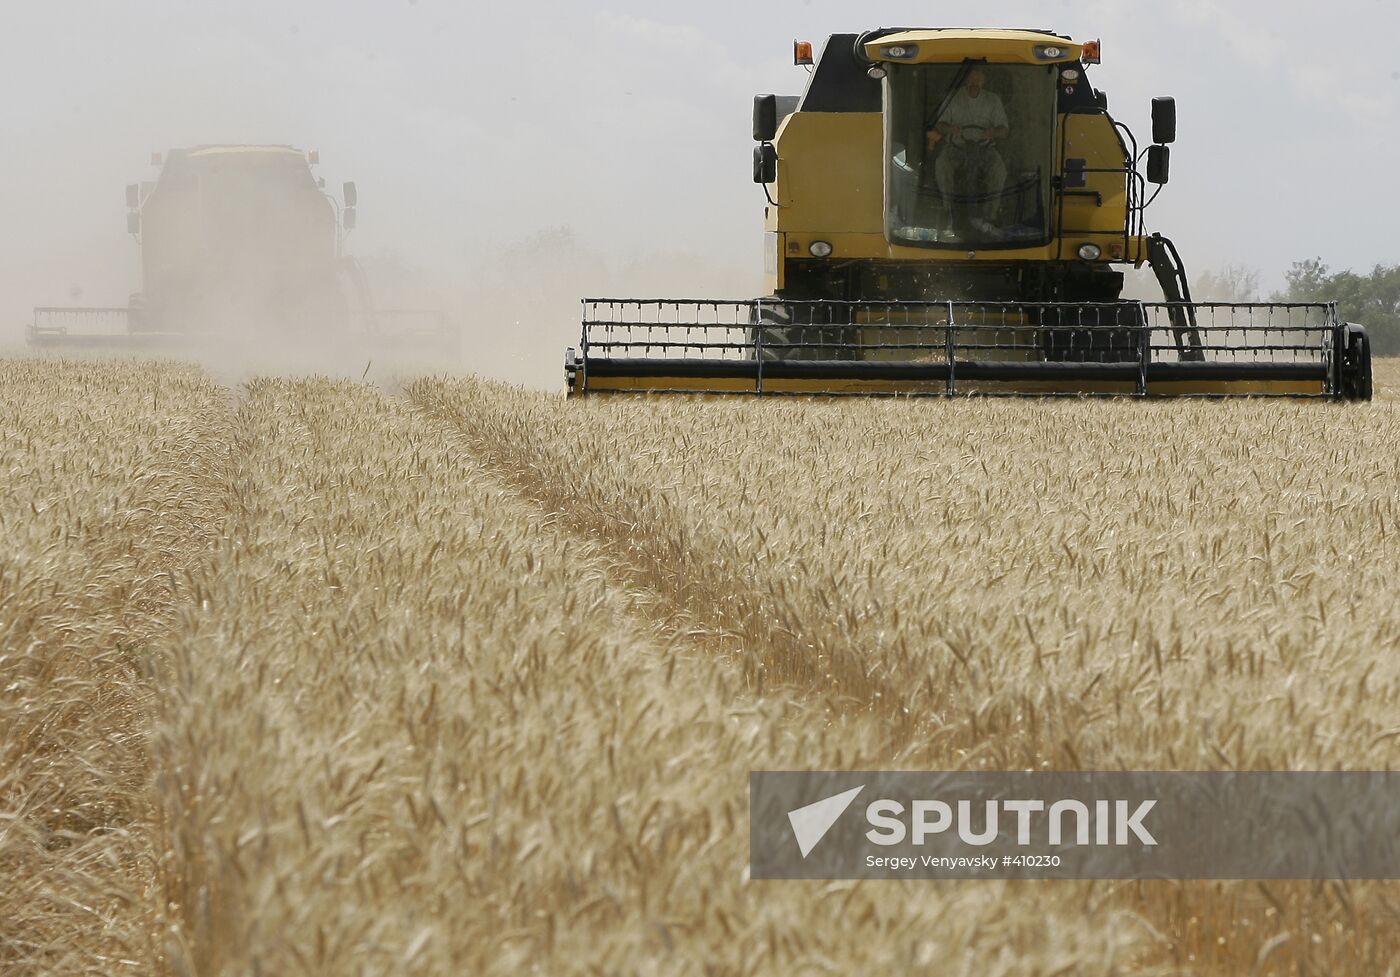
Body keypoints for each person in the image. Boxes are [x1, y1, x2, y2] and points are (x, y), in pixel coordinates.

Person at [926, 68, 1009, 235]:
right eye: (971, 79)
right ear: (965, 80)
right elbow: (939, 124)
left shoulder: (993, 100)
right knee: (942, 165)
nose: (974, 82)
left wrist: (991, 132)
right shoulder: (953, 98)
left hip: (985, 149)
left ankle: (989, 215)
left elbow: (1004, 130)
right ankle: (948, 210)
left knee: (999, 170)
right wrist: (951, 129)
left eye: (978, 79)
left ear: (984, 81)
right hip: (956, 148)